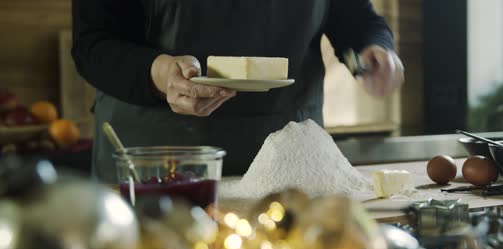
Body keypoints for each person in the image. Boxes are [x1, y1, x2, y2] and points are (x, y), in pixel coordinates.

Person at [72, 0, 405, 183]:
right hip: (157, 169)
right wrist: (158, 73)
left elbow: (354, 16)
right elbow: (93, 45)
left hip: (292, 167)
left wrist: (373, 47)